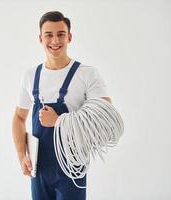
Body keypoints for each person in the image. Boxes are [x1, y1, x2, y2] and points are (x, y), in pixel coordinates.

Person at [12, 11, 111, 200]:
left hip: (72, 165)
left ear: (69, 37)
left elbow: (105, 119)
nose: (55, 40)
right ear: (40, 38)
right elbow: (18, 118)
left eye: (61, 34)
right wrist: (21, 154)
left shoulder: (87, 74)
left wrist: (59, 121)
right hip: (39, 166)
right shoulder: (31, 75)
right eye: (48, 34)